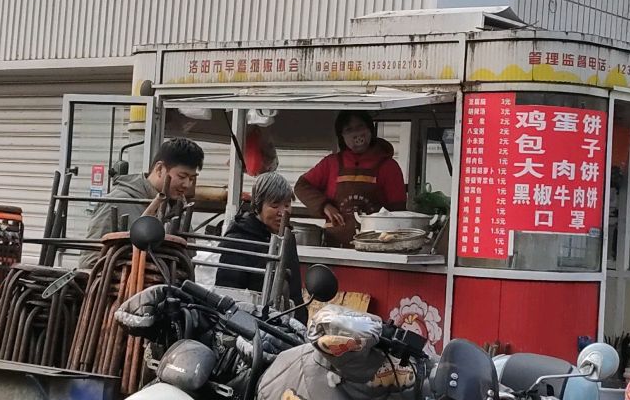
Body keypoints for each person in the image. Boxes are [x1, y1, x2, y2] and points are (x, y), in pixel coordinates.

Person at [80, 137, 204, 268]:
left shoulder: (180, 210)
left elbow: (188, 261)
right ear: (159, 169)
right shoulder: (117, 202)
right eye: (182, 176)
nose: (187, 184)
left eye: (192, 178)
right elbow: (90, 262)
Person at [295, 110, 406, 245]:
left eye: (361, 127)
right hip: (334, 245)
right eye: (349, 130)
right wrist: (325, 206)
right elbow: (302, 185)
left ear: (370, 130)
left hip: (375, 246)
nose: (357, 134)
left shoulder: (389, 167)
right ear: (342, 136)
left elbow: (398, 213)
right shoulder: (331, 163)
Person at [216, 171, 306, 322]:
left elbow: (295, 291)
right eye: (274, 205)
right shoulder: (239, 239)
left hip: (285, 324)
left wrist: (300, 321)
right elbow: (228, 293)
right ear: (258, 206)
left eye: (287, 205)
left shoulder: (288, 238)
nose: (282, 213)